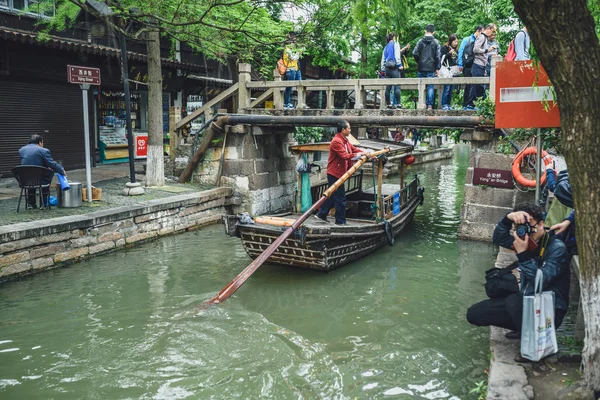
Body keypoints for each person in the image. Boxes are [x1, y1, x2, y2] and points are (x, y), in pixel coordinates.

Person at [466, 204, 570, 353]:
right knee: (474, 314)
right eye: (520, 226)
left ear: (541, 224)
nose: (525, 230)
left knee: (513, 301)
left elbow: (540, 281)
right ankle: (522, 327)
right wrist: (508, 219)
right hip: (527, 300)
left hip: (550, 312)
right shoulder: (527, 242)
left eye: (529, 225)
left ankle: (535, 343)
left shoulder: (556, 248)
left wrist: (523, 254)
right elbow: (498, 237)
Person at [315, 121, 367, 225]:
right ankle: (340, 221)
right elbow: (345, 155)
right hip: (335, 173)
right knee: (340, 198)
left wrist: (365, 152)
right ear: (343, 130)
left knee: (332, 195)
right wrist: (361, 154)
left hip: (339, 173)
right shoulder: (337, 141)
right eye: (349, 128)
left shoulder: (345, 140)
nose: (350, 130)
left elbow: (353, 149)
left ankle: (321, 214)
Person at [18, 134, 66, 209]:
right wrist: (61, 170)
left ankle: (30, 204)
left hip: (26, 181)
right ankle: (43, 204)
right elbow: (51, 163)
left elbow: (30, 161)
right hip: (40, 180)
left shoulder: (21, 150)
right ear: (40, 142)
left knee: (31, 177)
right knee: (45, 176)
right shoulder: (44, 151)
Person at [465, 23, 497, 109]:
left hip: (482, 65)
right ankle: (470, 104)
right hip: (477, 64)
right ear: (489, 29)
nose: (493, 34)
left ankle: (475, 104)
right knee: (476, 85)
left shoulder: (485, 38)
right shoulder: (482, 37)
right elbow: (475, 49)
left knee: (479, 86)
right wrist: (488, 50)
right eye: (493, 31)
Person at [413, 24, 441, 110]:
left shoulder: (420, 41)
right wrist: (437, 67)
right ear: (433, 32)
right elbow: (438, 56)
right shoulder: (436, 42)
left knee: (421, 85)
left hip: (421, 67)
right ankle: (429, 105)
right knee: (430, 86)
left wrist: (419, 61)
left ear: (425, 31)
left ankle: (421, 104)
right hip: (431, 67)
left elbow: (414, 53)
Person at [458, 25, 484, 110]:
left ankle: (472, 104)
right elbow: (461, 51)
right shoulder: (467, 39)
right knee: (468, 85)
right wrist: (460, 64)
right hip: (468, 65)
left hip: (476, 65)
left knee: (475, 85)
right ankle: (466, 104)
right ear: (478, 31)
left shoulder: (480, 41)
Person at [283, 32, 303, 110]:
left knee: (300, 85)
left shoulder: (293, 49)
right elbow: (292, 58)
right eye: (293, 41)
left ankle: (301, 103)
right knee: (289, 87)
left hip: (296, 69)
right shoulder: (287, 49)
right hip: (290, 69)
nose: (294, 43)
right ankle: (286, 103)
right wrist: (298, 53)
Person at [441, 34, 459, 110]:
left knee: (451, 88)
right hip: (446, 70)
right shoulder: (445, 48)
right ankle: (444, 104)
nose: (456, 43)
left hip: (453, 70)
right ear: (451, 41)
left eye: (457, 42)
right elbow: (442, 59)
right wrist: (449, 53)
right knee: (447, 88)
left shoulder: (456, 49)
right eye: (455, 41)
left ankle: (448, 104)